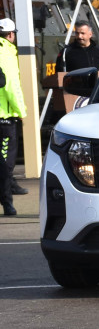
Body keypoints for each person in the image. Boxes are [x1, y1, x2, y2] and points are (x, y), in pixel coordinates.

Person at [0, 18, 26, 215]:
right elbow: (11, 87)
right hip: (4, 117)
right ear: (10, 35)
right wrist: (21, 111)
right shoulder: (6, 53)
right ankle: (7, 204)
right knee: (5, 165)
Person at [55, 21, 99, 113]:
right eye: (77, 33)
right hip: (75, 97)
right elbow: (59, 73)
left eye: (82, 33)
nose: (79, 36)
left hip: (97, 94)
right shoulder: (67, 52)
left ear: (90, 34)